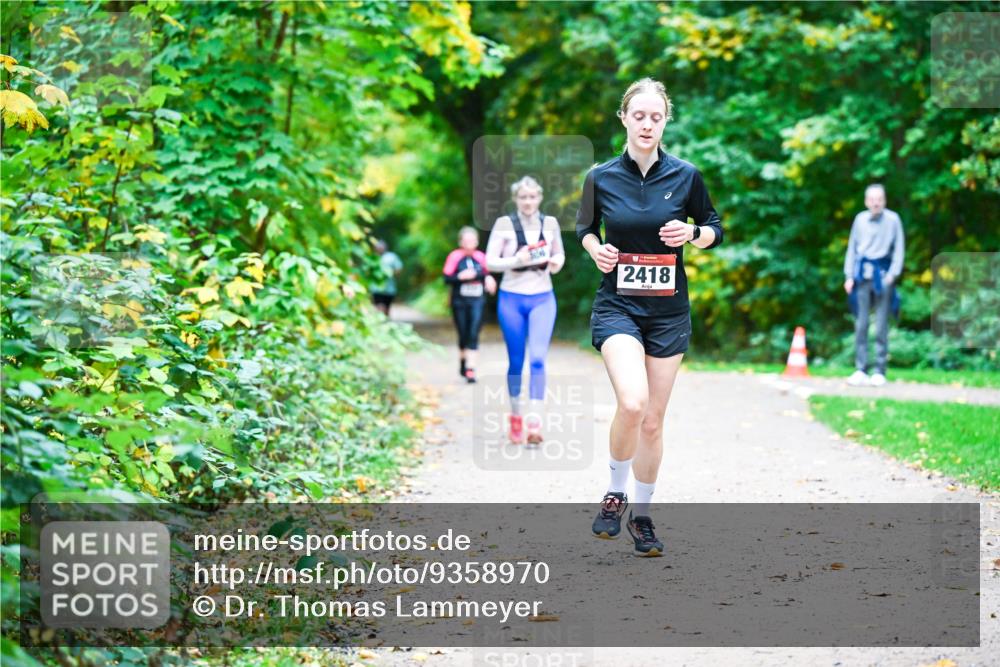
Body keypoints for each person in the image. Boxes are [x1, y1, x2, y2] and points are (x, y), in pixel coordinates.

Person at [576, 78, 724, 557]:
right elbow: (584, 227)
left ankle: (641, 516)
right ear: (623, 118)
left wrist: (693, 232)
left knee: (655, 422)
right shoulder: (600, 176)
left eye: (655, 117)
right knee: (634, 403)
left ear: (665, 122)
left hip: (668, 311)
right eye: (638, 115)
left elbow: (715, 229)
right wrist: (596, 249)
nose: (647, 124)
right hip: (618, 304)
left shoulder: (686, 176)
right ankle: (615, 491)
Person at [485, 176, 565, 445]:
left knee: (538, 359)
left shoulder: (550, 223)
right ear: (516, 199)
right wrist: (514, 260)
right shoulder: (504, 224)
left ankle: (535, 419)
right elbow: (490, 261)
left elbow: (560, 254)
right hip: (512, 298)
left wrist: (555, 262)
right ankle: (516, 416)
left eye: (532, 197)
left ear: (539, 198)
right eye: (523, 197)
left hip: (542, 297)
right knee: (516, 361)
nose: (528, 202)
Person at [843, 184, 904, 387]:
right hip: (862, 277)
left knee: (881, 325)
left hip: (883, 276)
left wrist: (893, 275)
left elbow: (899, 250)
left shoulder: (893, 219)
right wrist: (849, 275)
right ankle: (861, 369)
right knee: (861, 324)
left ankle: (879, 370)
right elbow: (852, 248)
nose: (876, 202)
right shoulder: (859, 219)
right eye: (872, 199)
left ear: (884, 200)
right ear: (866, 201)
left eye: (879, 199)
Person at [443, 226, 497, 383]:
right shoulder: (454, 257)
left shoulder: (481, 257)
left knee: (474, 331)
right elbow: (446, 279)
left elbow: (487, 273)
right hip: (459, 300)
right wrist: (461, 277)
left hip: (477, 300)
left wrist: (487, 278)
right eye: (466, 241)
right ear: (461, 242)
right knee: (463, 333)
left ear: (477, 242)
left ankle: (471, 368)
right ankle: (463, 362)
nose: (469, 244)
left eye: (472, 241)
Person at [371, 239, 403, 317]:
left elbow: (399, 269)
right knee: (380, 307)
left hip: (389, 289)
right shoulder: (372, 257)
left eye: (381, 247)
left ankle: (385, 322)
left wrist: (391, 273)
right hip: (376, 288)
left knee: (386, 308)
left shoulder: (391, 257)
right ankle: (380, 322)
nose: (379, 249)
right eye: (378, 247)